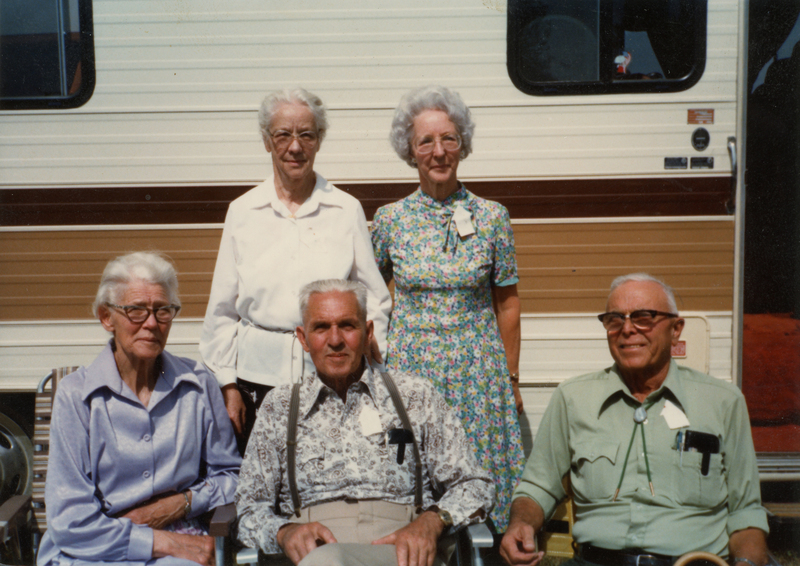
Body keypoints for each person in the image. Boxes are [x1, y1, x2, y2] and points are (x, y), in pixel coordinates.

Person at [500, 273, 770, 566]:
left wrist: (746, 563)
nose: (627, 329)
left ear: (676, 329)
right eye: (615, 320)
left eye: (644, 317)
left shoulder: (723, 402)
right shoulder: (573, 398)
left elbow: (746, 513)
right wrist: (521, 524)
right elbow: (537, 487)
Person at [235, 279, 495, 566]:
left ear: (368, 332)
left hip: (401, 553)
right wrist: (283, 533)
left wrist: (432, 522)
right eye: (321, 327)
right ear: (303, 338)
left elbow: (475, 484)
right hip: (315, 556)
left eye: (347, 325)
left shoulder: (414, 396)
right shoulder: (280, 407)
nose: (335, 340)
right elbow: (249, 509)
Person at [199, 88, 391, 451]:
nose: (295, 146)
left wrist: (368, 349)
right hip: (255, 379)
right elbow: (222, 310)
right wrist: (227, 385)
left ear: (319, 141)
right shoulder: (242, 211)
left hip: (331, 377)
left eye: (306, 134)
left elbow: (376, 299)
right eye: (282, 135)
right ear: (266, 142)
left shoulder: (345, 209)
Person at [371, 85, 524, 532]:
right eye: (426, 142)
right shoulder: (389, 220)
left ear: (463, 144)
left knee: (481, 488)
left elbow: (508, 304)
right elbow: (372, 300)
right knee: (415, 485)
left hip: (478, 375)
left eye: (449, 139)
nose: (439, 152)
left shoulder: (493, 216)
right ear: (410, 150)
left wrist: (511, 377)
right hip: (413, 374)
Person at [38, 252, 241, 566]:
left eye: (163, 310)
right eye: (136, 310)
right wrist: (161, 541)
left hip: (181, 537)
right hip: (95, 545)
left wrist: (181, 503)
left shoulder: (199, 385)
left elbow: (232, 475)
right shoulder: (76, 395)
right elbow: (70, 520)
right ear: (107, 318)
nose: (151, 323)